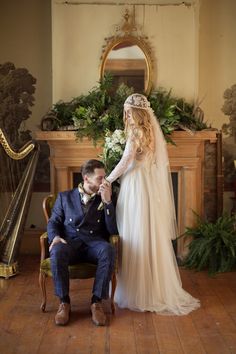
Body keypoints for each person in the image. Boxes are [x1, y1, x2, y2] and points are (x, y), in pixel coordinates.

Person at [102, 93, 200, 315]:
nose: (125, 115)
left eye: (128, 111)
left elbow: (126, 161)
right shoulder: (150, 133)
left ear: (136, 112)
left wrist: (107, 179)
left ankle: (137, 291)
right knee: (147, 234)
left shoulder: (136, 132)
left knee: (135, 234)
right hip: (147, 187)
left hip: (135, 187)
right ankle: (153, 289)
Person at [47, 159, 118, 326]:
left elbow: (113, 230)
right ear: (86, 178)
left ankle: (96, 302)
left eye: (104, 177)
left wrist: (107, 203)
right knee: (57, 250)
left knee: (108, 250)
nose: (104, 181)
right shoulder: (64, 197)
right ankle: (64, 303)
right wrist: (55, 237)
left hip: (94, 244)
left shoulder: (106, 196)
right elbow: (53, 222)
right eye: (100, 178)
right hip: (71, 244)